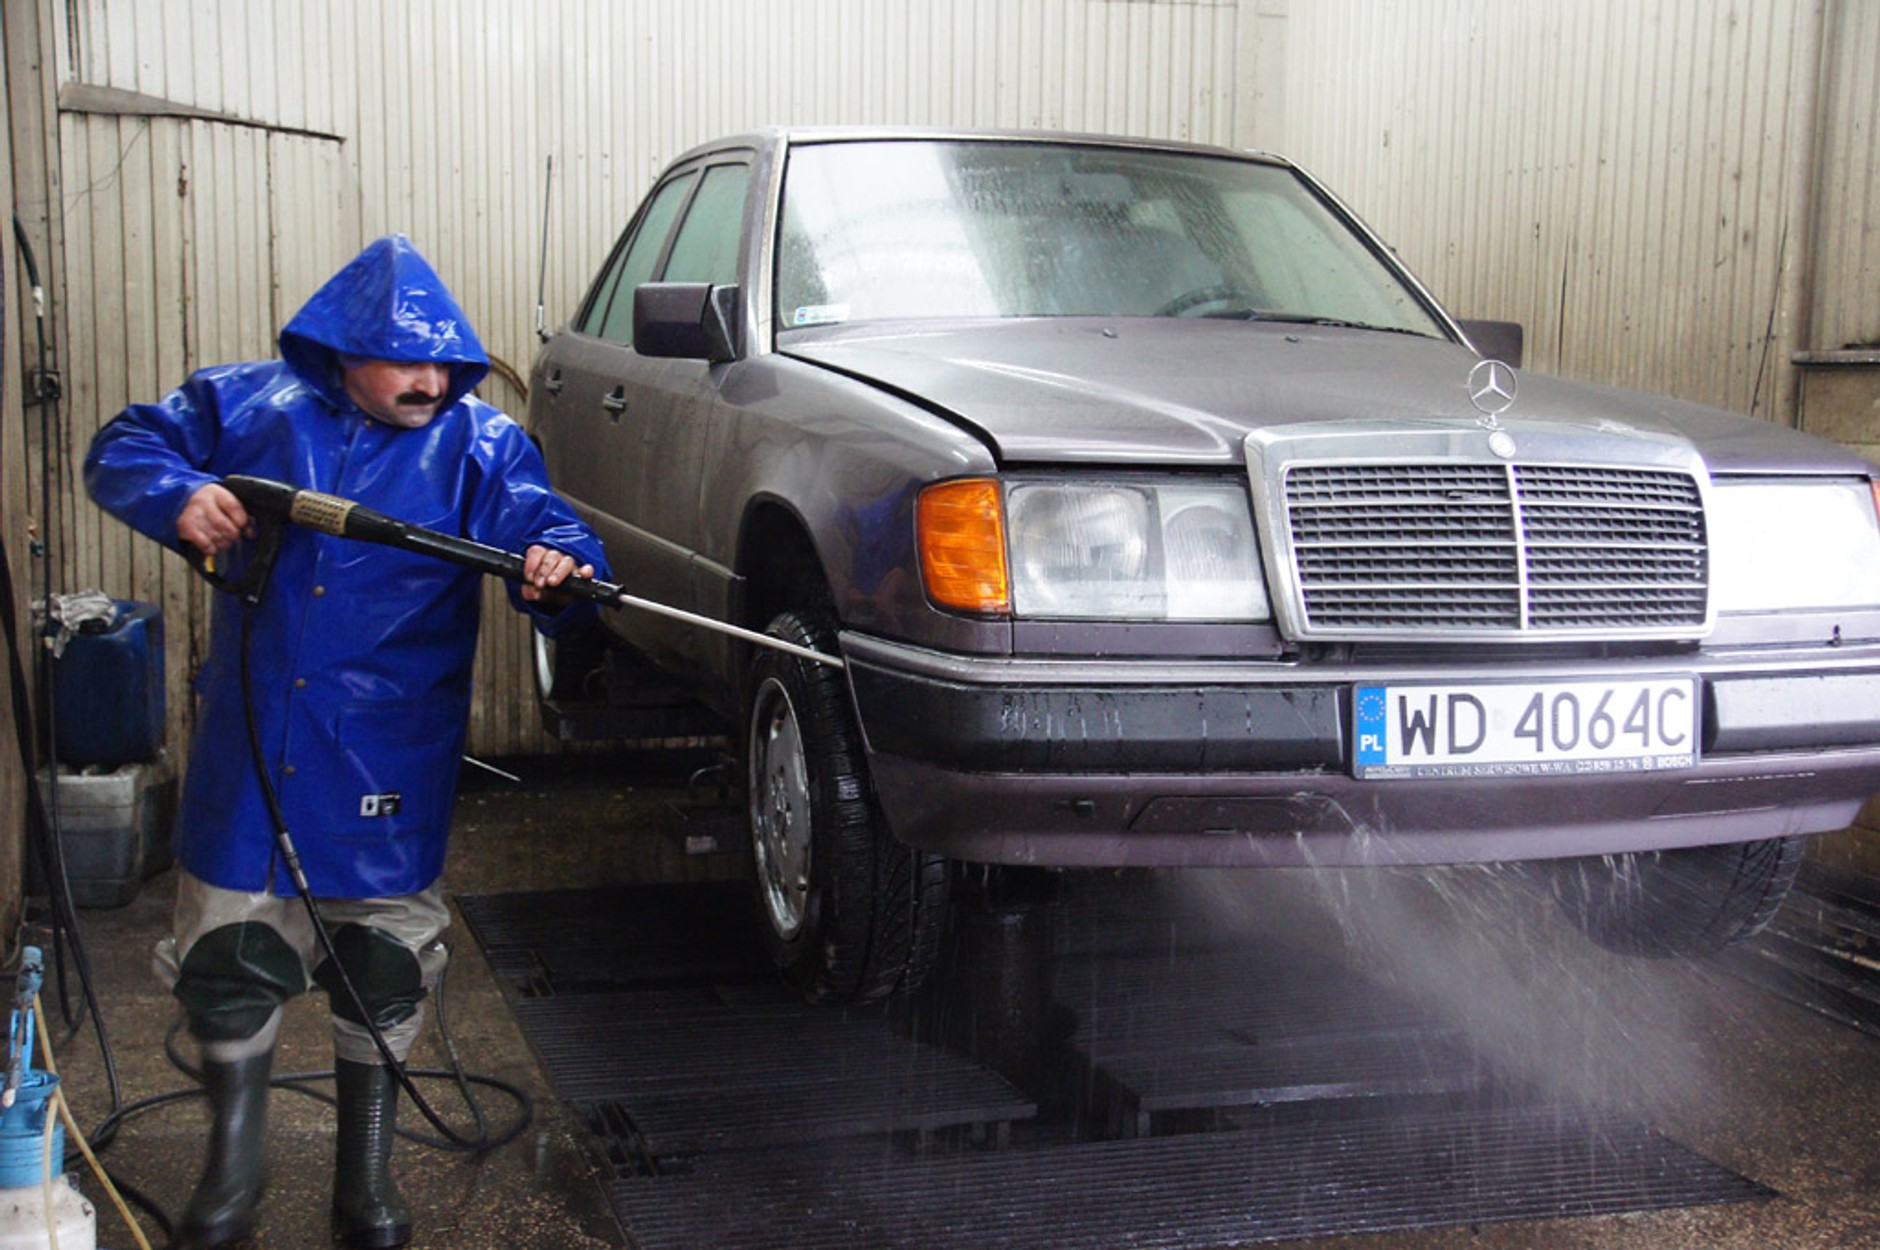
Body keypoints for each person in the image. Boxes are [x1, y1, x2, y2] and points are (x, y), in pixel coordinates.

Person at [84, 234, 609, 1250]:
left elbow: (550, 534)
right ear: (338, 351)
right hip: (253, 736)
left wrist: (559, 565)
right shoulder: (245, 407)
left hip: (388, 752)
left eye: (442, 364)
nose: (427, 381)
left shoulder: (481, 446)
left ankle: (364, 1176)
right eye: (403, 361)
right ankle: (231, 1168)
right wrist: (177, 494)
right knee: (226, 954)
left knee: (382, 956)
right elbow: (122, 445)